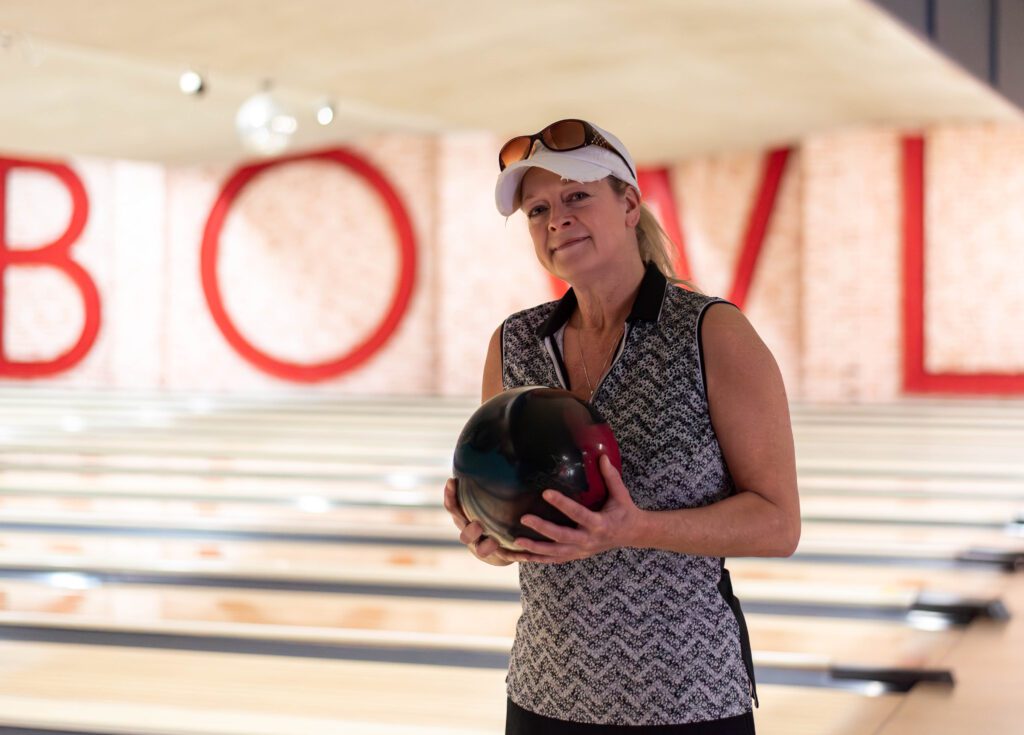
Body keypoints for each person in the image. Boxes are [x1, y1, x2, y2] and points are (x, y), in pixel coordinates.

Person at [442, 119, 800, 734]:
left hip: (688, 698)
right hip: (545, 691)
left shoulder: (711, 333)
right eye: (538, 210)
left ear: (629, 204)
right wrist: (493, 538)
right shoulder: (514, 344)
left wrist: (636, 528)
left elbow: (778, 523)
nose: (557, 220)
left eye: (577, 196)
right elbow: (518, 520)